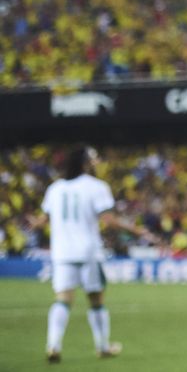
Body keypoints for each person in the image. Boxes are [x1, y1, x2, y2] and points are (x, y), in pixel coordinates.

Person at [32, 146, 154, 363]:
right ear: (85, 163)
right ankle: (103, 346)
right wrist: (137, 230)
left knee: (62, 299)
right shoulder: (96, 187)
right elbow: (108, 220)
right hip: (88, 250)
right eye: (95, 159)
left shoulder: (55, 188)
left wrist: (34, 224)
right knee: (96, 299)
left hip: (61, 252)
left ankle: (53, 345)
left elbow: (44, 219)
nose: (98, 162)